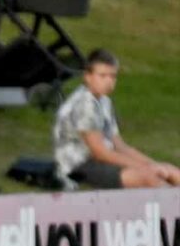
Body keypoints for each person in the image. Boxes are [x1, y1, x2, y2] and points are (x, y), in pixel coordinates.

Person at [54, 49, 180, 189]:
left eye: (112, 76)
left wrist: (154, 165)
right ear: (87, 76)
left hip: (102, 160)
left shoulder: (104, 101)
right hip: (80, 165)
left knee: (171, 172)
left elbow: (119, 146)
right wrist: (147, 169)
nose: (108, 81)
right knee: (150, 178)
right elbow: (99, 153)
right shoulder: (84, 105)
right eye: (102, 76)